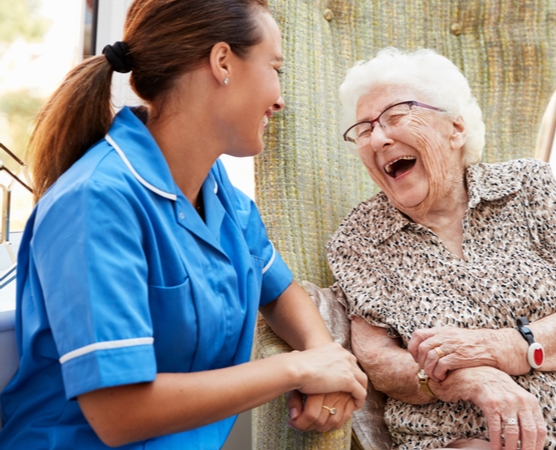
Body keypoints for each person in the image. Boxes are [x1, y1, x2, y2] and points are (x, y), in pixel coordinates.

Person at [0, 0, 367, 448]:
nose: (279, 98)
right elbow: (119, 413)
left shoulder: (215, 191)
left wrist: (323, 353)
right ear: (223, 62)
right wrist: (296, 369)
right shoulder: (95, 202)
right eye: (275, 69)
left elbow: (280, 289)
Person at [326, 47, 556, 450]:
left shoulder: (527, 186)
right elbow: (380, 363)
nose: (379, 137)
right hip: (464, 432)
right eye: (364, 129)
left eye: (395, 116)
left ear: (455, 129)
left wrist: (504, 348)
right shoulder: (360, 238)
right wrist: (470, 378)